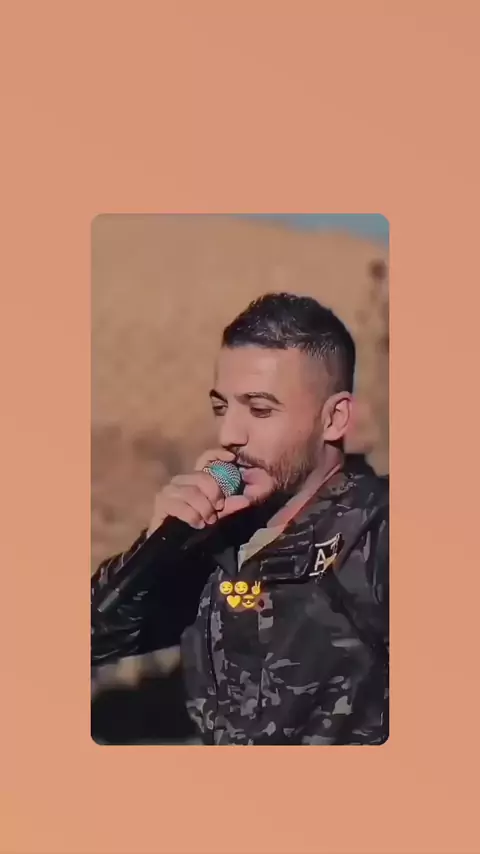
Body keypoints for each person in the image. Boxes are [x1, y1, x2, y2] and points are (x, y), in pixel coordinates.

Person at [91, 292, 389, 745]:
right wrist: (156, 546)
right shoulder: (217, 540)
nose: (230, 434)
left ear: (334, 418)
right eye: (221, 407)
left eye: (260, 409)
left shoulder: (379, 532)